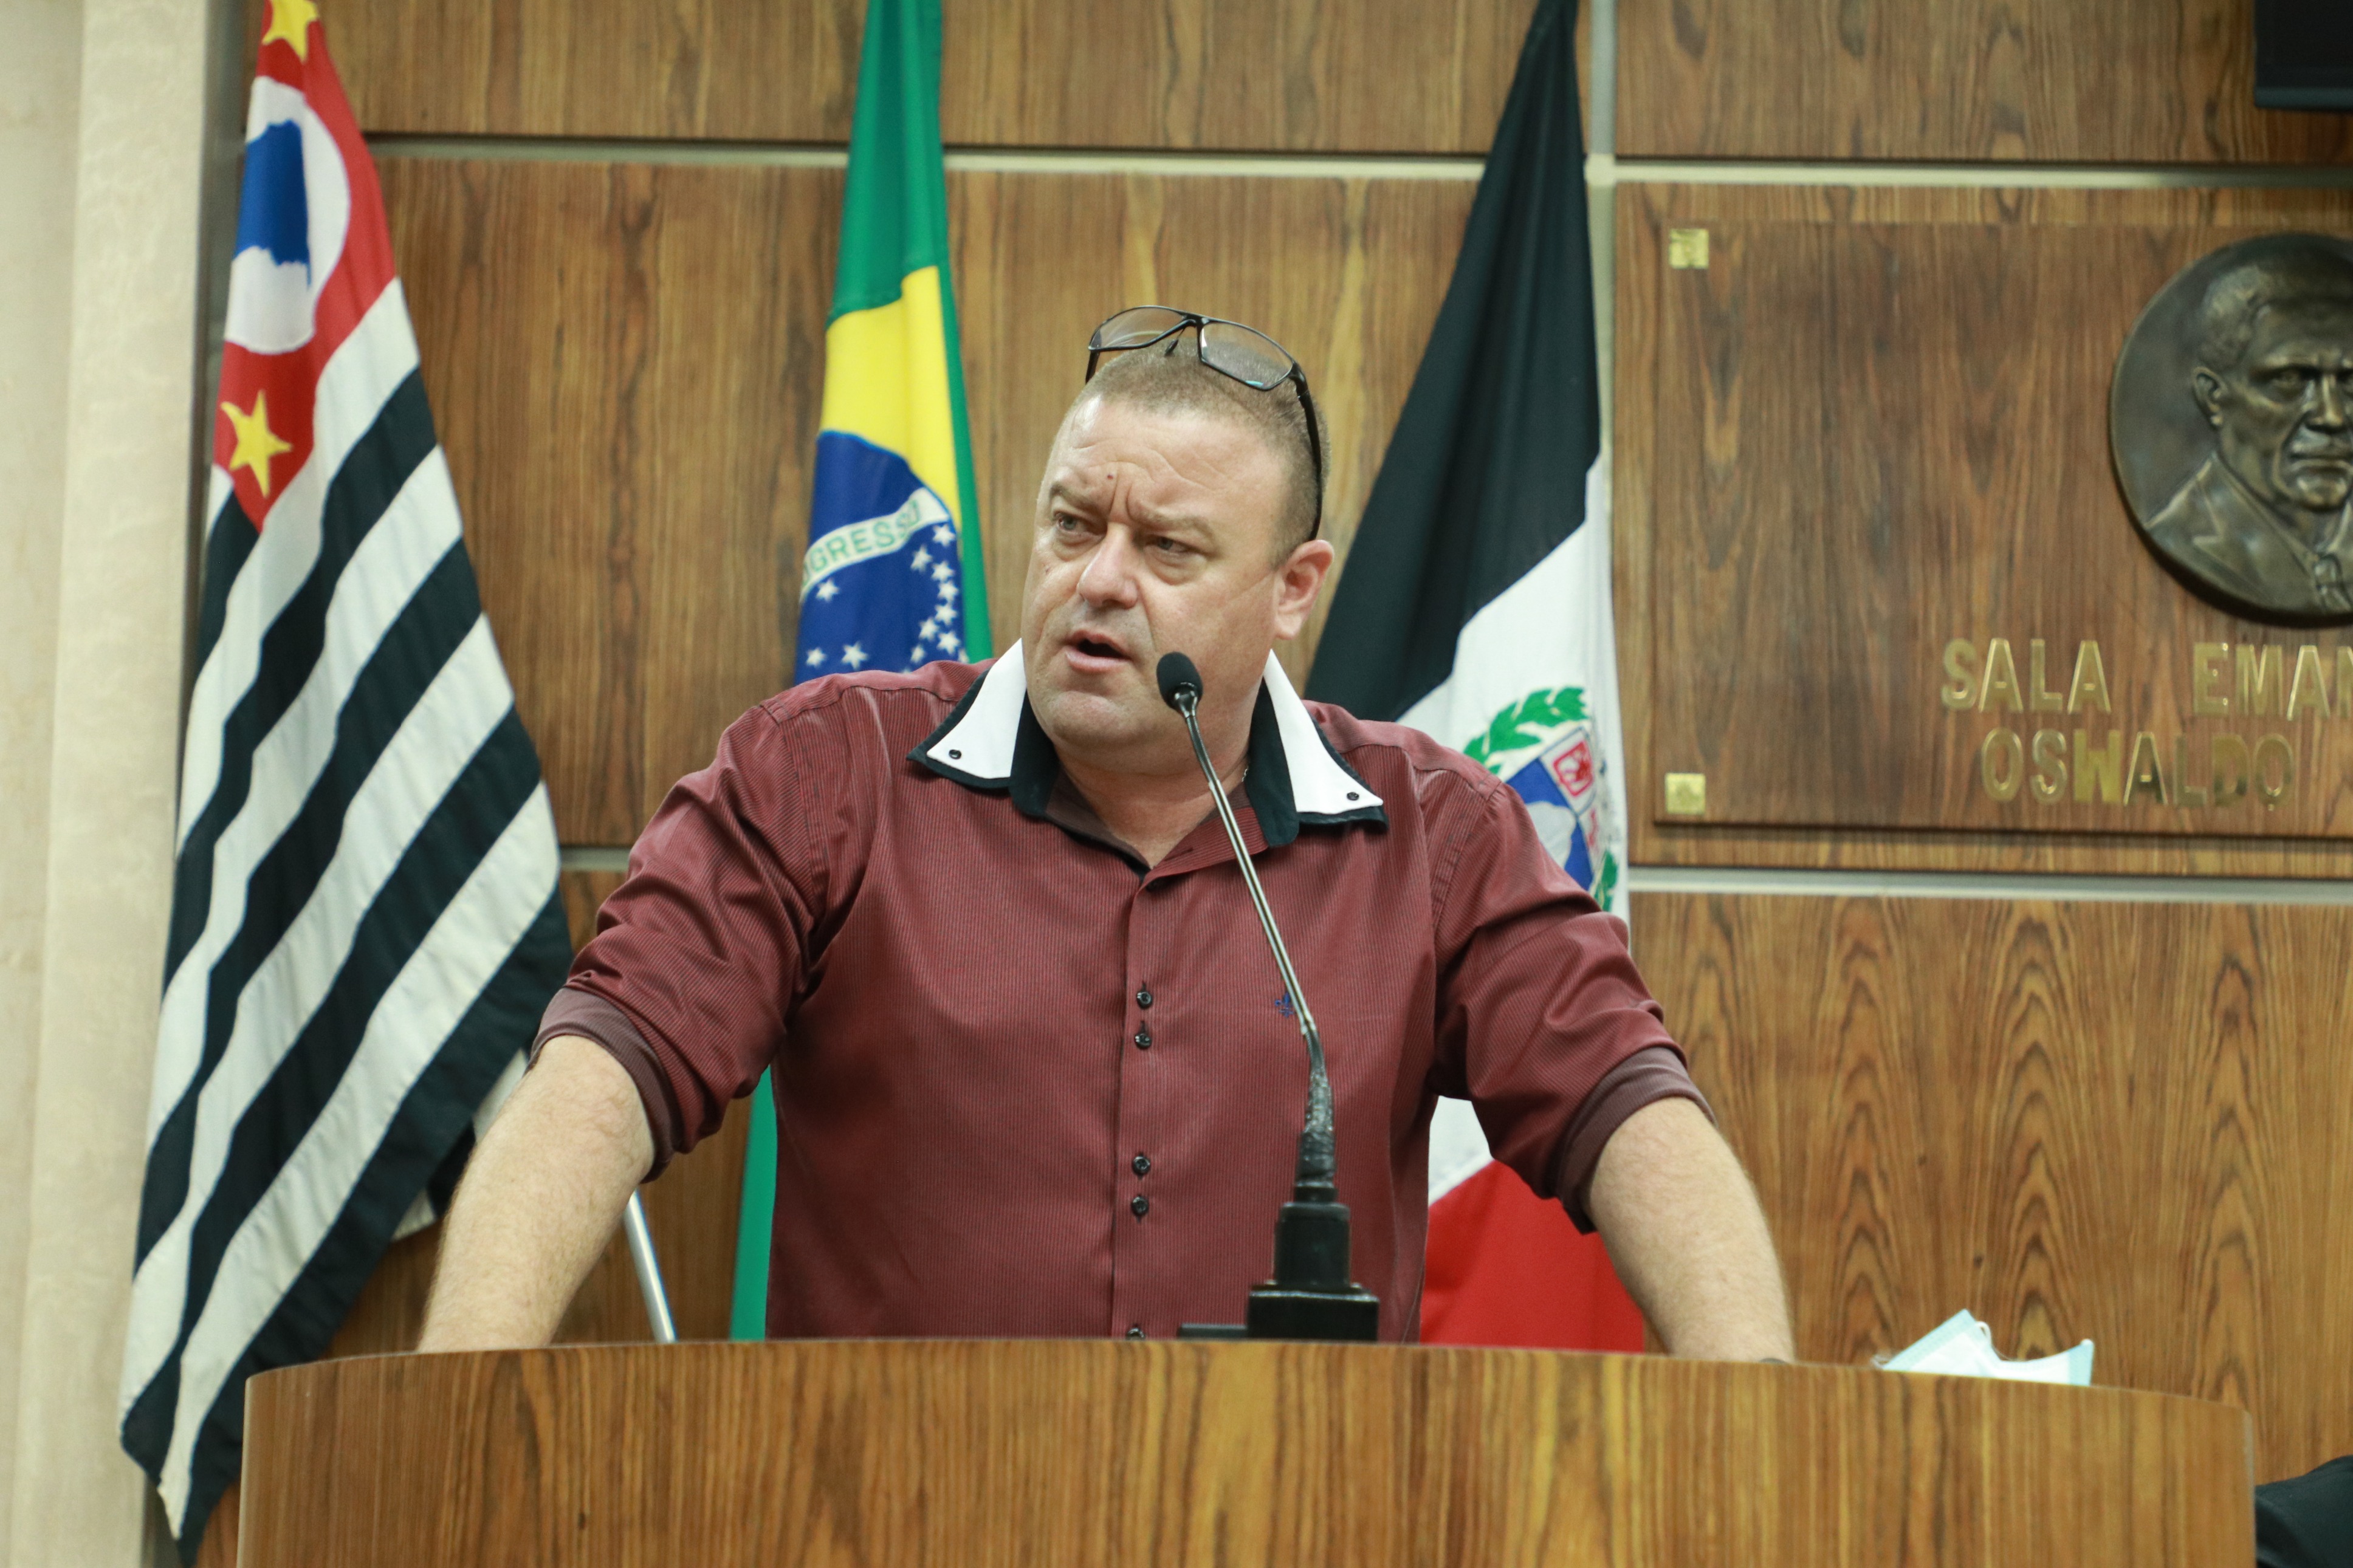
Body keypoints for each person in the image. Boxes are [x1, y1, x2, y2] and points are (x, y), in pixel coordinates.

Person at [418, 306, 1794, 1359]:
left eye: (1169, 549)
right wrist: (463, 1409)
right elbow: (603, 1067)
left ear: (1293, 588)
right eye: (1073, 524)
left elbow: (1631, 1111)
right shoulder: (826, 774)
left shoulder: (1434, 836)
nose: (1100, 580)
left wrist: (1753, 1426)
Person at [2145, 237, 2353, 618]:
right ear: (2213, 397)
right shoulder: (2182, 538)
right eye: (2290, 379)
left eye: (2351, 382)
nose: (2332, 416)